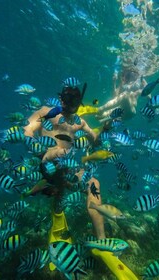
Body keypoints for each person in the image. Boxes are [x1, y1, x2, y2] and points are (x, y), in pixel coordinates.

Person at [23, 80, 138, 279]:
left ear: (79, 102)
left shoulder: (80, 122)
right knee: (59, 186)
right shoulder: (44, 112)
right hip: (48, 165)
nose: (71, 105)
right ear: (61, 98)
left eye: (75, 101)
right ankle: (58, 221)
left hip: (70, 167)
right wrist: (43, 151)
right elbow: (28, 130)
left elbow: (95, 141)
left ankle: (101, 243)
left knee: (94, 183)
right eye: (67, 99)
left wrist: (106, 127)